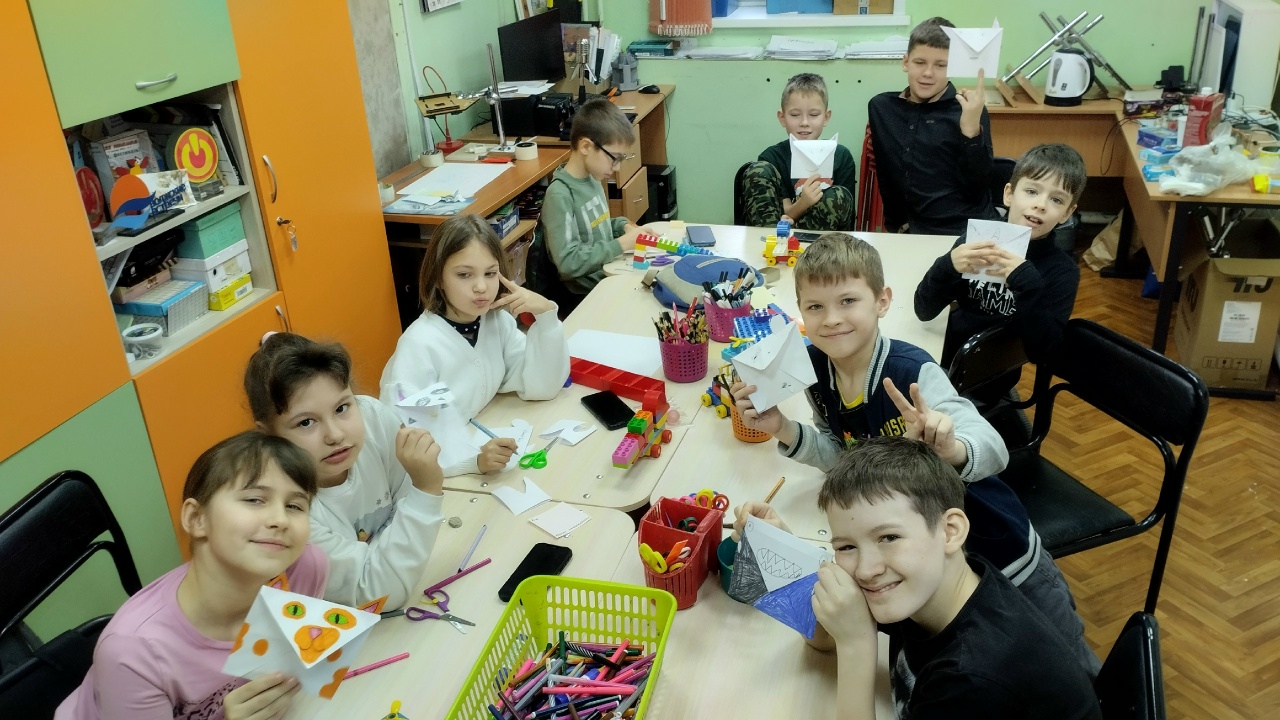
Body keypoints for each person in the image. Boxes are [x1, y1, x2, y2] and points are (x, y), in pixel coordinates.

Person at [730, 234, 1099, 677]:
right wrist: (782, 428)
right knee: (985, 673)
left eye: (848, 301)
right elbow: (844, 455)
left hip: (999, 552)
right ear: (800, 312)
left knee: (1068, 666)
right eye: (815, 307)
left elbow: (994, 448)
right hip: (928, 573)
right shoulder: (816, 370)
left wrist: (952, 448)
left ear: (882, 301)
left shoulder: (912, 371)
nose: (832, 319)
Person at [747, 437, 1103, 719]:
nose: (866, 569)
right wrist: (782, 546)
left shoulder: (972, 680)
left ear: (950, 531)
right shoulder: (937, 579)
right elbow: (823, 640)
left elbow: (841, 641)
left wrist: (856, 645)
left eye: (889, 537)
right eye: (846, 546)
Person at [57, 431, 328, 720]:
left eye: (295, 506)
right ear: (197, 518)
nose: (280, 520)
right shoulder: (133, 652)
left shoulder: (305, 569)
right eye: (254, 499)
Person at [246, 332, 444, 612]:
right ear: (268, 435)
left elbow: (405, 506)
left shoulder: (373, 418)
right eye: (306, 423)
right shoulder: (283, 513)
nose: (335, 435)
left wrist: (388, 557)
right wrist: (425, 492)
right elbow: (378, 594)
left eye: (342, 408)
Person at [380, 214, 569, 476]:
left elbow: (542, 385)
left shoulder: (496, 321)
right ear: (438, 278)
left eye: (490, 273)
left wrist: (546, 315)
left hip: (478, 436)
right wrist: (474, 461)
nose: (481, 287)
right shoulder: (420, 346)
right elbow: (410, 449)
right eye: (464, 275)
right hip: (437, 478)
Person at [915, 143, 1085, 383]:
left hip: (993, 375)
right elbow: (924, 309)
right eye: (1032, 191)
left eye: (1057, 199)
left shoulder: (1062, 271)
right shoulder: (977, 241)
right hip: (944, 354)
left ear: (1067, 213)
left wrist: (1028, 284)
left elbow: (1043, 352)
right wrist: (947, 265)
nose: (1041, 205)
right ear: (1009, 194)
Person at [868, 17, 998, 236]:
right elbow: (887, 176)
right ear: (905, 62)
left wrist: (971, 132)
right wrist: (897, 224)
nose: (928, 73)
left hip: (965, 229)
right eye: (920, 62)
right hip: (912, 230)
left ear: (954, 66)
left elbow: (977, 187)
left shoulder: (968, 110)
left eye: (941, 65)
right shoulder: (882, 108)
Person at [538, 97, 646, 299]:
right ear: (586, 146)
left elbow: (594, 227)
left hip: (608, 276)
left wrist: (623, 226)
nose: (617, 168)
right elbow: (568, 264)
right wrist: (621, 244)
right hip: (585, 295)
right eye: (614, 158)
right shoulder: (560, 195)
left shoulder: (593, 178)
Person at [741, 72, 856, 231]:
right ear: (782, 118)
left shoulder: (841, 156)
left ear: (826, 117)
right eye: (795, 115)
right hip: (777, 235)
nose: (804, 123)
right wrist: (804, 202)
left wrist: (801, 206)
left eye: (814, 115)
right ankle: (767, 242)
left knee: (837, 195)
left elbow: (845, 215)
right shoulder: (771, 158)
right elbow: (780, 215)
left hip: (824, 240)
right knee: (758, 170)